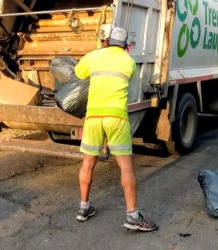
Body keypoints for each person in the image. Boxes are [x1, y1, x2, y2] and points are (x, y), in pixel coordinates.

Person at [74, 26, 158, 232]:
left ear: (106, 40)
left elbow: (78, 72)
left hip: (93, 117)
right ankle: (132, 216)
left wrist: (97, 51)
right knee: (126, 166)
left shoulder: (93, 56)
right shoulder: (128, 61)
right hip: (116, 117)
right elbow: (127, 77)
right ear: (125, 45)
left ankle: (84, 208)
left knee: (88, 163)